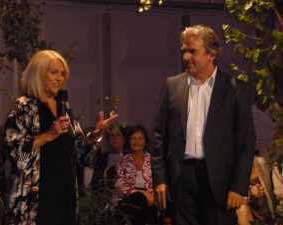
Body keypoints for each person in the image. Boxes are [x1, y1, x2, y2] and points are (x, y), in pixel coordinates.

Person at [151, 24, 255, 225]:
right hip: (182, 179)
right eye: (184, 51)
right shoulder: (172, 85)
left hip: (219, 183)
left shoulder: (235, 89)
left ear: (212, 54)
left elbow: (246, 142)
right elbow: (158, 136)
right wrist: (159, 179)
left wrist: (239, 186)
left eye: (192, 51)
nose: (185, 57)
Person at [3, 50, 117, 225]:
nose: (59, 78)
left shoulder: (64, 107)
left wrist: (96, 136)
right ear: (39, 73)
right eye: (54, 72)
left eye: (62, 74)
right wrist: (49, 135)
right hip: (34, 198)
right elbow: (12, 151)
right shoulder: (24, 106)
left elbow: (82, 156)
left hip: (64, 194)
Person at [112, 124, 156, 225]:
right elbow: (119, 185)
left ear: (145, 142)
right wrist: (140, 192)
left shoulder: (154, 161)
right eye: (133, 138)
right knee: (137, 199)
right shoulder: (122, 161)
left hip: (151, 200)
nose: (136, 142)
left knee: (138, 204)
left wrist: (150, 195)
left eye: (140, 138)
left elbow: (159, 183)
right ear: (129, 142)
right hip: (126, 199)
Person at [236, 155, 275, 225]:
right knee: (242, 208)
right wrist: (250, 190)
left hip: (262, 207)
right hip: (243, 206)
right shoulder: (230, 165)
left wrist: (262, 190)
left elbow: (269, 189)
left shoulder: (259, 162)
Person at [92, 122, 128, 188]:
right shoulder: (101, 158)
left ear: (124, 139)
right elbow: (96, 182)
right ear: (107, 140)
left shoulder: (130, 158)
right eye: (111, 135)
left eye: (118, 135)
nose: (115, 138)